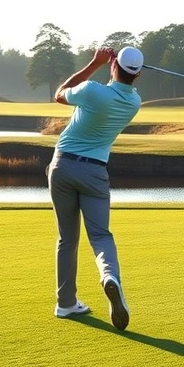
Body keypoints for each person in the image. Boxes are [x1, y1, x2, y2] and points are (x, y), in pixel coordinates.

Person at [47, 45, 143, 330]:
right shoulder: (134, 103)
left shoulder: (91, 90)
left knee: (67, 238)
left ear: (114, 67)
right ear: (137, 75)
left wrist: (95, 62)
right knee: (100, 236)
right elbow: (119, 85)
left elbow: (60, 94)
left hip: (62, 166)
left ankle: (65, 303)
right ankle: (109, 277)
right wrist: (115, 66)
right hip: (95, 172)